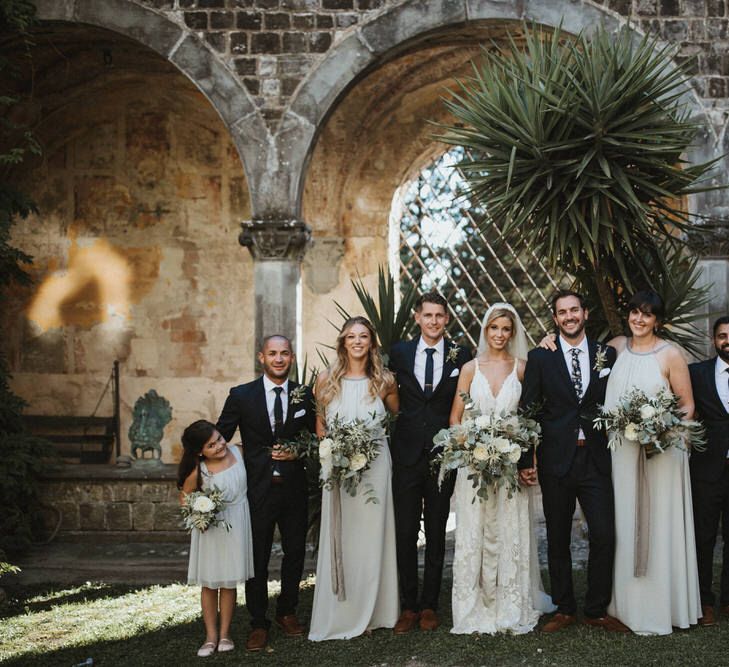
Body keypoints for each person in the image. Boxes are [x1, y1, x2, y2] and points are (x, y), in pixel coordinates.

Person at [522, 290, 624, 633]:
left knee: (605, 535)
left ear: (585, 312)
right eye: (562, 312)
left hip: (596, 459)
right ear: (555, 318)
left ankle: (596, 608)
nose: (569, 316)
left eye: (574, 310)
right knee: (557, 536)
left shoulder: (606, 353)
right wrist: (526, 459)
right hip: (556, 460)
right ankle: (565, 608)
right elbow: (528, 410)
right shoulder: (540, 357)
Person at [448, 303, 555, 634]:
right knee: (474, 532)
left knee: (509, 530)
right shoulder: (470, 368)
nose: (499, 334)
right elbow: (454, 418)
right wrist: (472, 446)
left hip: (511, 467)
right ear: (485, 330)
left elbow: (532, 419)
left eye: (506, 329)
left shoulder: (523, 368)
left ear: (513, 333)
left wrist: (525, 457)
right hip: (474, 466)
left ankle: (510, 602)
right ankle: (474, 604)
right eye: (494, 328)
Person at [603, 291, 701, 634]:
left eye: (647, 315)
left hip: (661, 454)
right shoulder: (614, 347)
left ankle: (663, 605)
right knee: (625, 520)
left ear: (657, 320)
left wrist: (660, 429)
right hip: (622, 455)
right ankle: (625, 604)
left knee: (660, 522)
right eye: (634, 312)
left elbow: (687, 405)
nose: (639, 320)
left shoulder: (670, 354)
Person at [216, 335, 315, 651]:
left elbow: (314, 438)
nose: (279, 359)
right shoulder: (241, 395)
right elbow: (219, 438)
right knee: (256, 555)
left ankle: (287, 611)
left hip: (295, 489)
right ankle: (259, 622)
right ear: (261, 357)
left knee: (295, 551)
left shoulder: (304, 395)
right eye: (272, 353)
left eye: (284, 353)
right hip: (256, 489)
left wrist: (297, 451)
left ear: (292, 357)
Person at [308, 316, 400, 640]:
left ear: (372, 343)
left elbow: (394, 417)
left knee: (372, 536)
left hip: (375, 469)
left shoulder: (385, 381)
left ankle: (374, 611)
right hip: (338, 470)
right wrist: (333, 453)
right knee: (343, 536)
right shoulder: (325, 380)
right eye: (351, 336)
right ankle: (342, 612)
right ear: (343, 342)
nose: (358, 341)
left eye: (364, 336)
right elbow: (321, 426)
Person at [388, 292, 472, 633]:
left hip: (442, 456)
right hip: (406, 454)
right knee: (405, 532)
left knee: (437, 532)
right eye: (428, 315)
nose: (434, 321)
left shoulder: (461, 355)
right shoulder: (400, 353)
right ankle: (408, 605)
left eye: (440, 316)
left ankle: (429, 606)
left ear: (446, 319)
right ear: (417, 318)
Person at [178, 420, 254, 657]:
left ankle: (225, 634)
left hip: (238, 521)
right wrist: (201, 514)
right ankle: (210, 636)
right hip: (211, 529)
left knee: (228, 582)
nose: (220, 446)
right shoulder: (198, 470)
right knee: (210, 583)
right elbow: (185, 497)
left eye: (220, 438)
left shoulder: (239, 451)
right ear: (200, 451)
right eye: (212, 445)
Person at [689, 316, 729, 626]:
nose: (728, 340)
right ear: (713, 339)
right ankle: (705, 601)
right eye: (722, 335)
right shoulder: (696, 373)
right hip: (706, 471)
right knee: (703, 538)